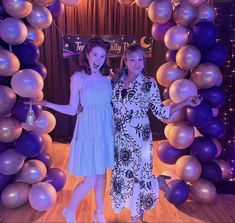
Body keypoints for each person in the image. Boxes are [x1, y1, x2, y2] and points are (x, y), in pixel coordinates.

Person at [110, 43, 202, 223]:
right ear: (125, 61)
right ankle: (156, 185)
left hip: (140, 136)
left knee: (140, 175)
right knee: (126, 174)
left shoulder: (149, 83)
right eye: (132, 59)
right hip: (121, 137)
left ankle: (136, 217)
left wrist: (184, 102)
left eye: (140, 59)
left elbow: (161, 111)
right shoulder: (117, 81)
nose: (137, 63)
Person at [34, 37, 114, 223]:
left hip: (105, 129)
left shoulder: (108, 77)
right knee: (91, 178)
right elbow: (72, 109)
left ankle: (99, 213)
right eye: (95, 54)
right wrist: (47, 103)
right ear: (87, 54)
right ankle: (70, 210)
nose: (98, 59)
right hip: (88, 130)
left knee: (102, 174)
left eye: (102, 55)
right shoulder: (78, 77)